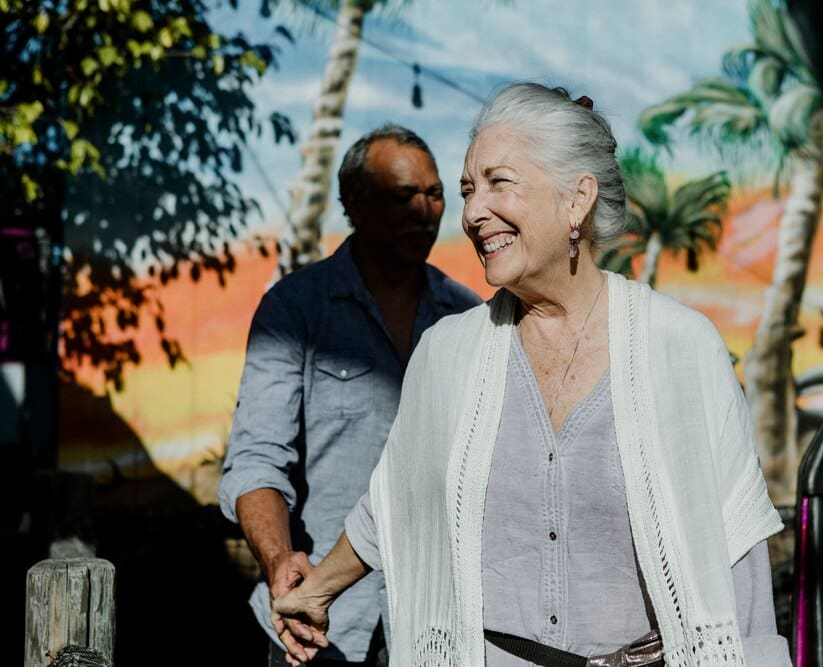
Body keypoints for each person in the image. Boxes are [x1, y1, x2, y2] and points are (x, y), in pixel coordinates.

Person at [270, 84, 792, 667]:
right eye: (468, 190)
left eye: (499, 183)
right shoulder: (448, 354)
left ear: (577, 200)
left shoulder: (682, 348)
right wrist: (314, 592)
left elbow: (737, 555)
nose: (471, 214)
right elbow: (392, 503)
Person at [218, 124, 482, 666]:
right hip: (321, 622)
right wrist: (277, 560)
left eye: (434, 194)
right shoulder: (294, 312)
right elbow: (255, 461)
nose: (423, 210)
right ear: (354, 204)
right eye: (401, 195)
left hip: (442, 619)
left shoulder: (469, 318)